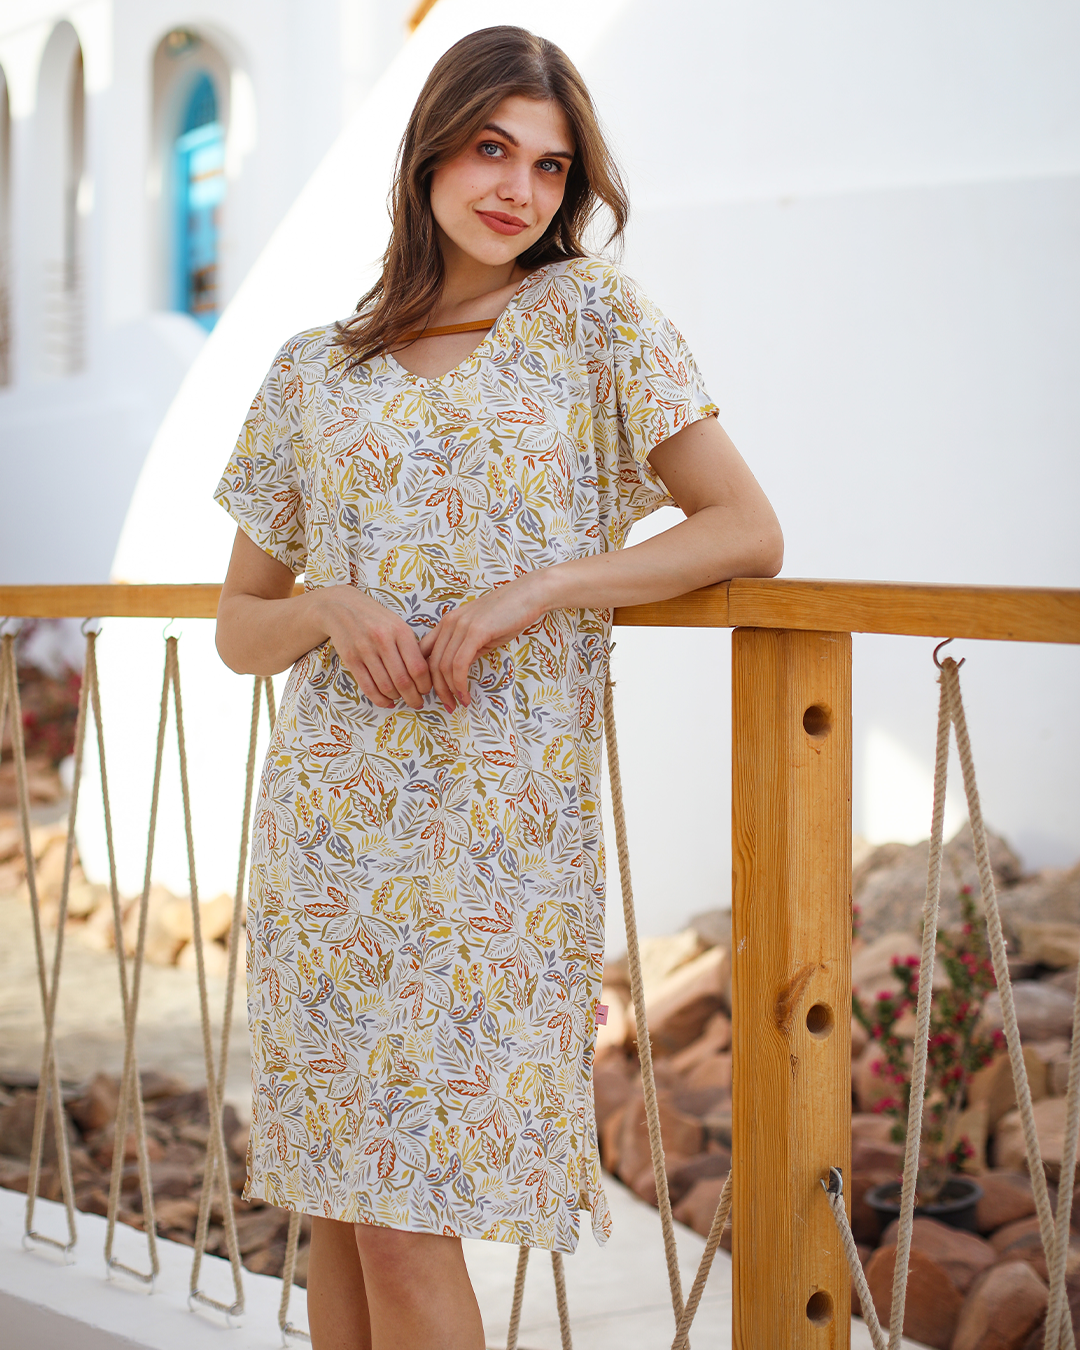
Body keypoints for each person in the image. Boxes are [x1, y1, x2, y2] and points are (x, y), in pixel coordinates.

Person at [214, 24, 782, 1350]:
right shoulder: (313, 369)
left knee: (408, 1222)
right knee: (343, 1208)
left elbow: (746, 530)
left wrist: (544, 588)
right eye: (489, 149)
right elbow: (239, 626)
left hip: (499, 844)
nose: (518, 188)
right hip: (331, 838)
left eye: (550, 165)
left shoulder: (596, 322)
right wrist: (324, 606)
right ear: (429, 153)